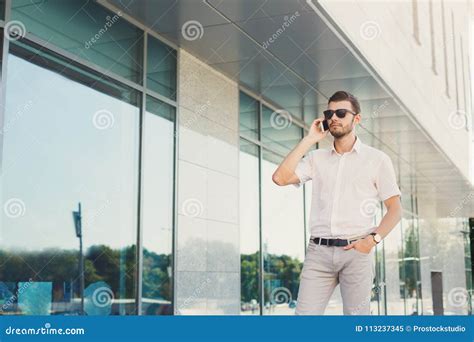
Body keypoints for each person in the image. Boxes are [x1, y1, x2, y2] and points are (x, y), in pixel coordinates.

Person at [272, 90, 402, 315]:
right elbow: (279, 178)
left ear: (356, 119)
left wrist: (372, 241)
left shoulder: (377, 160)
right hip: (318, 254)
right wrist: (309, 139)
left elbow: (395, 209)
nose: (334, 117)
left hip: (357, 252)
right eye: (329, 113)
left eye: (341, 113)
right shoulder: (316, 158)